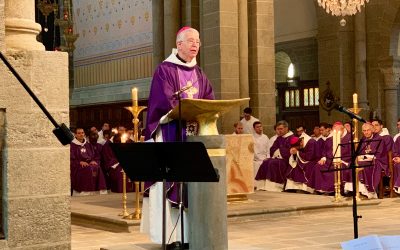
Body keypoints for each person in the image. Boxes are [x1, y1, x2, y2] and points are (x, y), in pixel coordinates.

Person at [141, 26, 214, 246]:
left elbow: (209, 99)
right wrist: (184, 110)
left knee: (191, 185)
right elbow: (164, 102)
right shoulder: (165, 70)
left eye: (198, 41)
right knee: (171, 183)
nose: (195, 45)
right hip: (172, 133)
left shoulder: (199, 73)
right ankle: (173, 238)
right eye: (191, 41)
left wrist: (205, 112)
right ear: (178, 44)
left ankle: (190, 235)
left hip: (193, 135)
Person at [255, 120, 294, 191]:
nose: (279, 131)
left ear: (286, 128)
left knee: (272, 163)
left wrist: (280, 151)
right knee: (266, 162)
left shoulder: (292, 138)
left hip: (287, 160)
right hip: (278, 158)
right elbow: (272, 148)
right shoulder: (279, 138)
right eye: (278, 129)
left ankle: (275, 187)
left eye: (281, 129)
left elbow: (292, 150)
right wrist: (276, 151)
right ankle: (263, 186)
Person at [70, 128, 107, 196]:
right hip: (77, 166)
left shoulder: (87, 144)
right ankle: (85, 191)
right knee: (87, 169)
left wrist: (92, 160)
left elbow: (93, 155)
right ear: (75, 135)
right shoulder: (72, 145)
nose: (81, 134)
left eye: (82, 133)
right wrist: (79, 162)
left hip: (88, 164)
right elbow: (71, 159)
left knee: (97, 167)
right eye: (79, 133)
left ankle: (98, 190)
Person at [252, 121, 270, 187]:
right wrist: (261, 159)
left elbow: (268, 148)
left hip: (266, 157)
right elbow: (254, 151)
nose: (260, 128)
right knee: (258, 164)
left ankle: (267, 185)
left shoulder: (265, 137)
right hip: (256, 158)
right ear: (254, 128)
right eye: (257, 127)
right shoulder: (252, 138)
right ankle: (258, 185)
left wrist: (267, 157)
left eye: (260, 126)